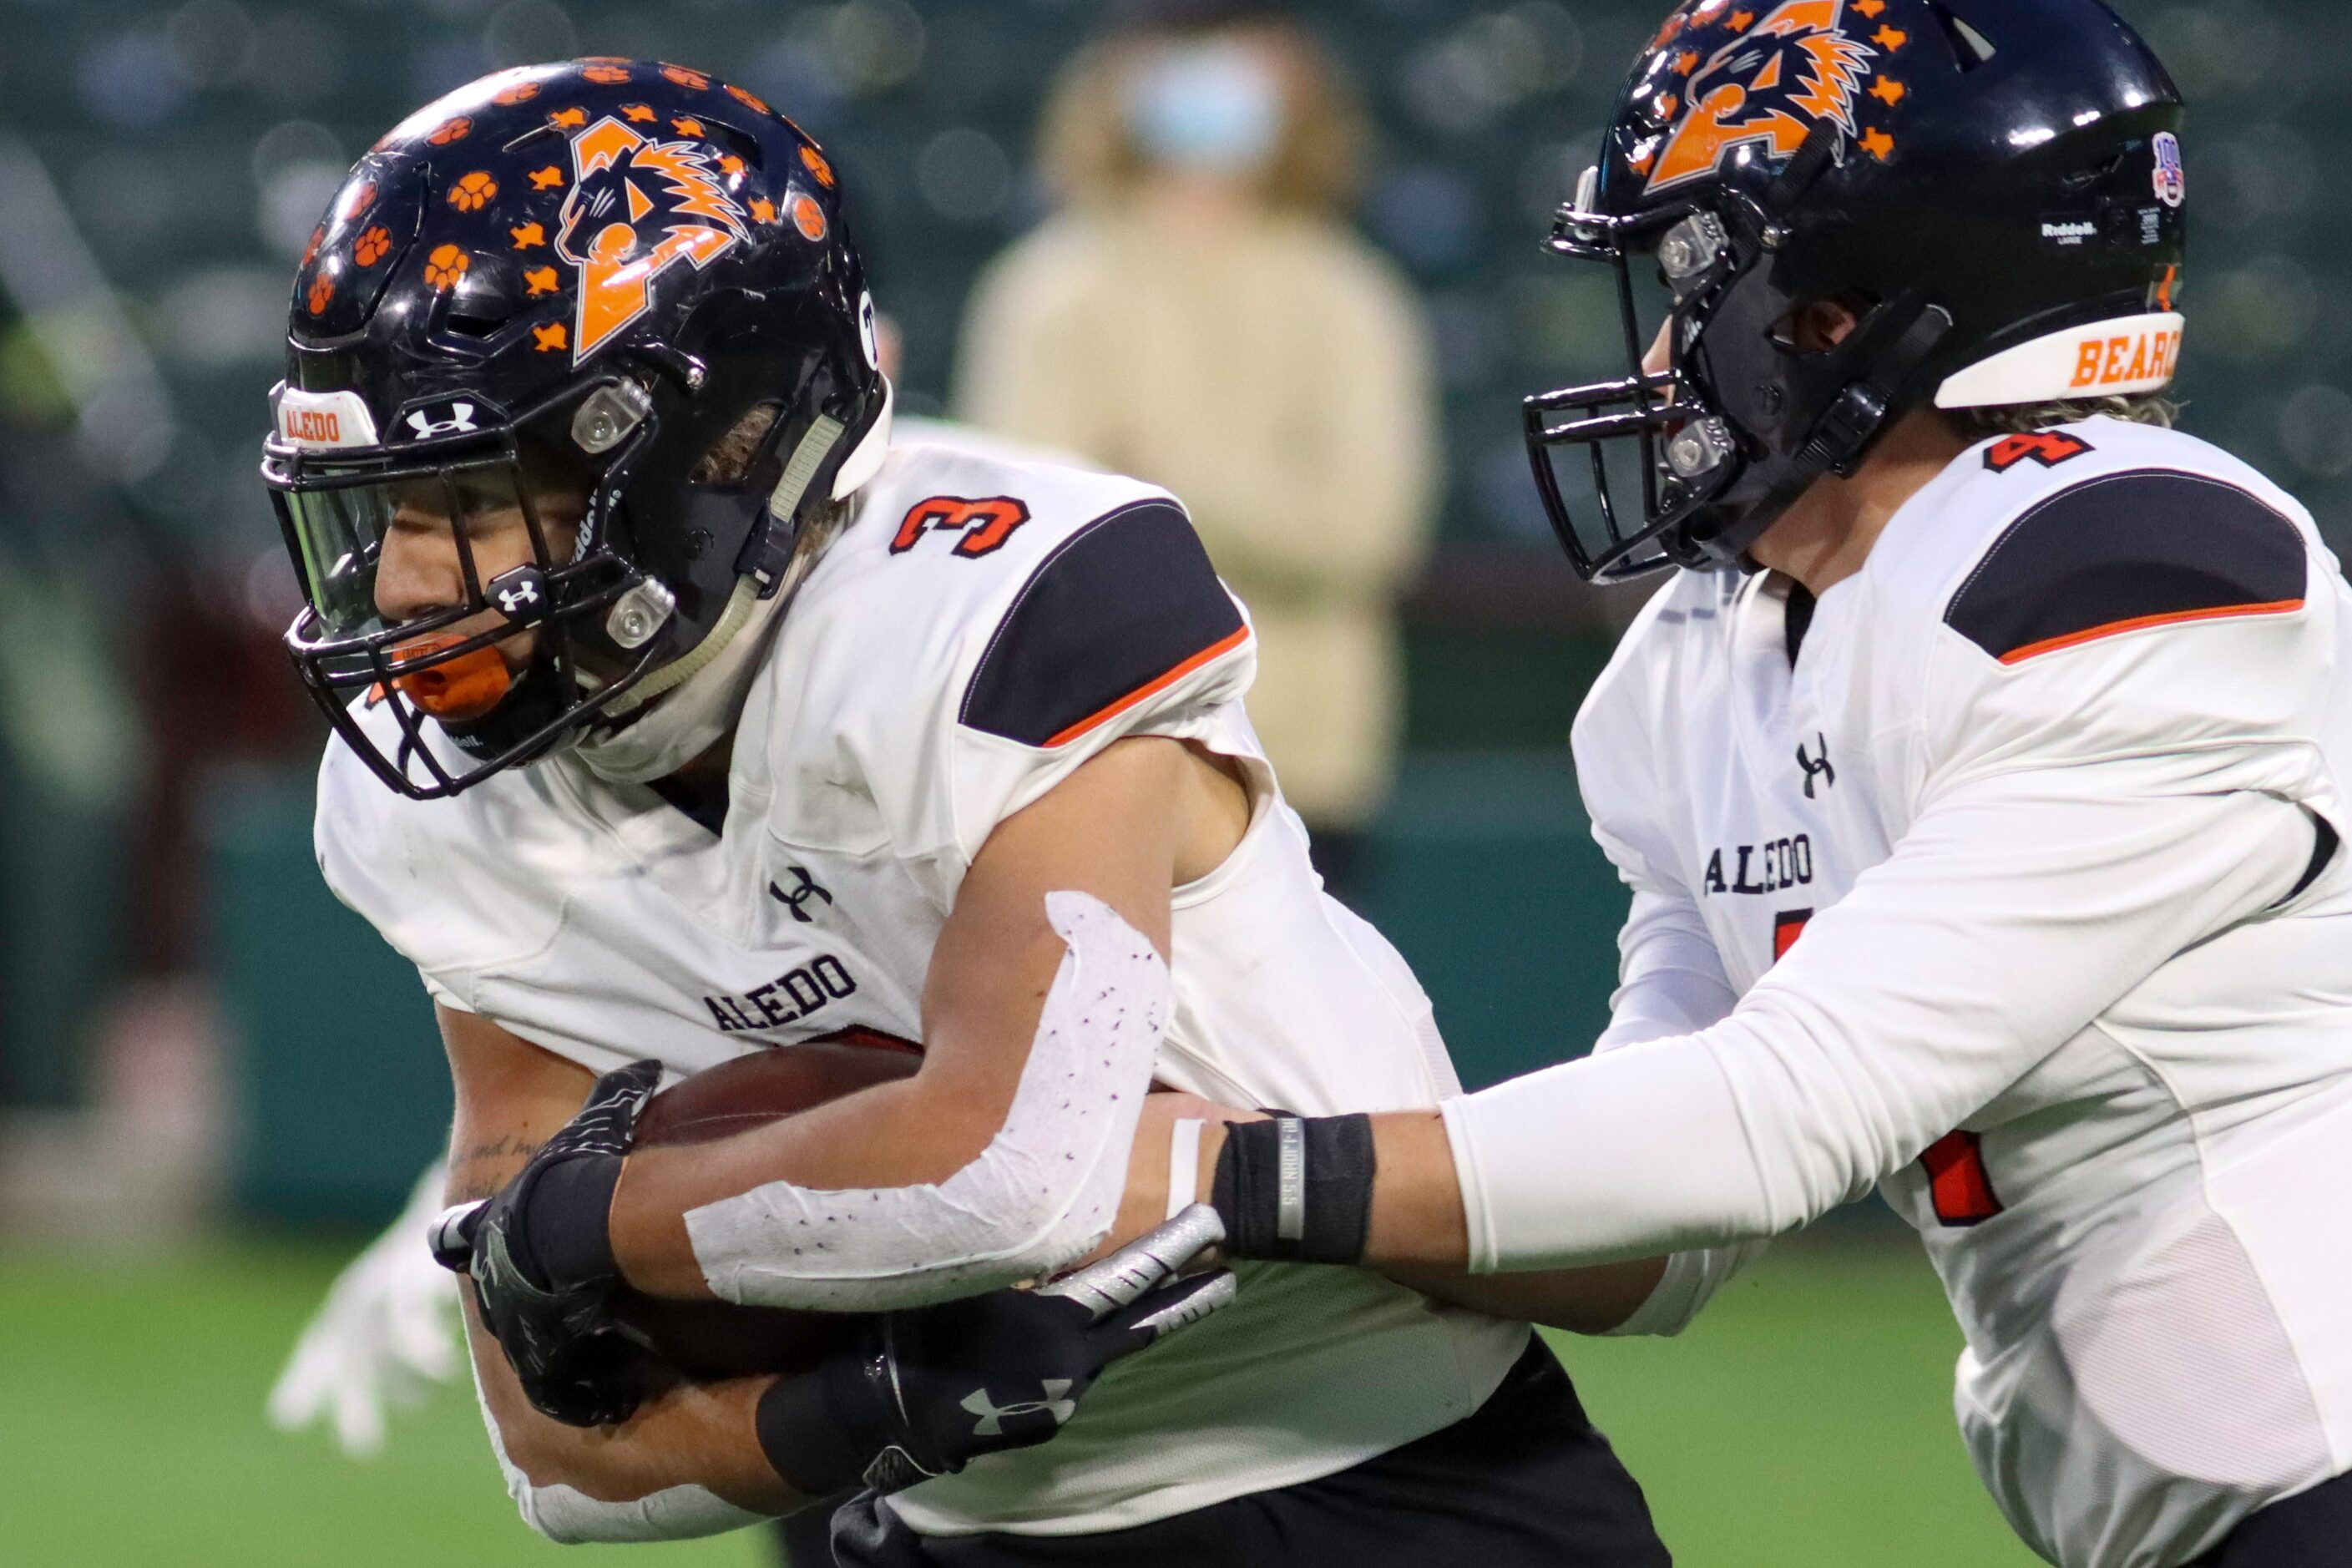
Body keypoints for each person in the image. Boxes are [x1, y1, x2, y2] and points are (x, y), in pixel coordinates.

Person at [266, 58, 1673, 1565]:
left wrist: (596, 1222)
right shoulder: (437, 791)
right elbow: (562, 1460)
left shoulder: (991, 599)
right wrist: (857, 1417)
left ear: (710, 450)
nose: (410, 589)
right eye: (387, 515)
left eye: (479, 503)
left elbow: (1008, 1168)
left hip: (1379, 1480)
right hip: (941, 1521)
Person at [1158, 3, 2352, 1565]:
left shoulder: (2133, 559)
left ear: (1840, 307)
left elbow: (1771, 1121)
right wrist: (1198, 1203)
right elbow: (1669, 1234)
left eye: (1687, 289)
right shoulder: (1704, 647)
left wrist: (1219, 1171)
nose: (1657, 357)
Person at [954, 0, 1437, 903]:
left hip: (1306, 771)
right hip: (1091, 756)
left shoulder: (1350, 295)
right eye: (1181, 47)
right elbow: (1024, 549)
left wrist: (1154, 476)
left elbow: (1367, 531)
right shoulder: (1048, 290)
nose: (1212, 72)